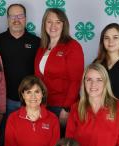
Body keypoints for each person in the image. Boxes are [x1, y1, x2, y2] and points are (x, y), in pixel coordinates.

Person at [4, 75, 60, 146]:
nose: (33, 96)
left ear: (43, 94)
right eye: (28, 92)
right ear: (23, 95)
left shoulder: (52, 119)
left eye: (37, 92)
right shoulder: (13, 118)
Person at [35, 8, 84, 137]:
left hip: (61, 107)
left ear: (64, 24)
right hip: (44, 106)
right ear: (44, 24)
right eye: (49, 21)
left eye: (58, 22)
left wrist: (66, 108)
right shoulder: (42, 48)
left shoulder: (73, 46)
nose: (53, 26)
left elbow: (76, 81)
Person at [0, 3, 40, 115]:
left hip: (30, 100)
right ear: (7, 19)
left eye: (20, 16)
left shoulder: (37, 42)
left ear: (25, 18)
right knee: (6, 131)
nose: (16, 20)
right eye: (12, 16)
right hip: (5, 100)